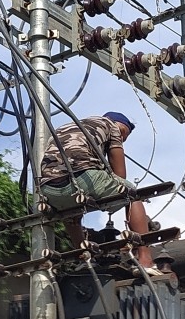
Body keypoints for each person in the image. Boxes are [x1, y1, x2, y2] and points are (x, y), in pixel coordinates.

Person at [38, 111, 157, 272]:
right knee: (132, 194)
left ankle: (84, 258)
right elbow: (120, 176)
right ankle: (145, 260)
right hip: (81, 178)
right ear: (121, 128)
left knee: (71, 213)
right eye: (124, 137)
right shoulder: (112, 127)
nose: (122, 140)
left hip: (49, 189)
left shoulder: (68, 126)